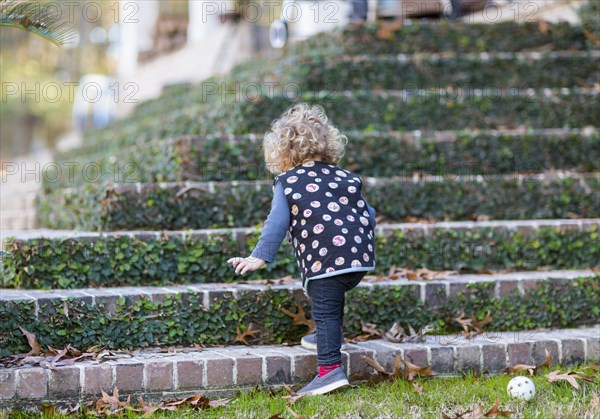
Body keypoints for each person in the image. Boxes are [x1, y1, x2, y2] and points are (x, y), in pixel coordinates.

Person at [227, 103, 377, 395]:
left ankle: (330, 371)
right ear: (328, 145)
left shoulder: (289, 181)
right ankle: (326, 336)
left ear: (281, 151)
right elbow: (369, 214)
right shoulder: (344, 177)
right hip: (359, 259)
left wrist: (259, 256)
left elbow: (277, 222)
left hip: (327, 262)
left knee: (326, 309)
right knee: (331, 304)